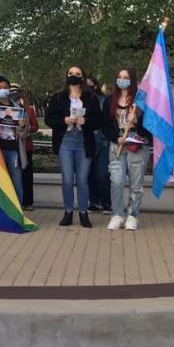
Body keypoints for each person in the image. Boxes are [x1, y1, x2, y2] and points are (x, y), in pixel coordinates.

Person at [45, 66, 102, 228]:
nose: (73, 76)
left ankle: (83, 213)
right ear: (66, 76)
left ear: (83, 77)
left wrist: (86, 121)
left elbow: (99, 120)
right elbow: (49, 119)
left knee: (83, 180)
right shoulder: (57, 98)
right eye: (70, 73)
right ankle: (68, 212)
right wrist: (63, 120)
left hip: (84, 141)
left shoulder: (91, 98)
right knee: (68, 179)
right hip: (65, 141)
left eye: (77, 74)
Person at [103, 68, 151, 231]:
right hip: (117, 144)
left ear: (132, 80)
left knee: (136, 184)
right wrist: (115, 138)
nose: (122, 80)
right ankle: (117, 214)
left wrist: (137, 118)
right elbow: (105, 125)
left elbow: (150, 127)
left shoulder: (141, 101)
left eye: (126, 77)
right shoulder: (109, 100)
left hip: (137, 145)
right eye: (120, 77)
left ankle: (132, 215)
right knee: (116, 181)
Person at [0, 77, 30, 204]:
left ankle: (17, 211)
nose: (2, 90)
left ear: (9, 89)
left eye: (5, 87)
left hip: (13, 150)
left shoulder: (17, 107)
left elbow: (25, 132)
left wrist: (21, 126)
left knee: (16, 181)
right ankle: (1, 212)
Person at [11, 83, 40, 211]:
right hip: (11, 147)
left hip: (25, 146)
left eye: (15, 91)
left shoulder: (28, 110)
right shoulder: (5, 109)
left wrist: (27, 130)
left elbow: (35, 126)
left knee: (27, 175)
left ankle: (28, 201)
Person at [86, 76, 112, 214]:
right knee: (88, 174)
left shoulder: (104, 100)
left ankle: (106, 203)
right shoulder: (80, 100)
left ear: (96, 86)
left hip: (102, 143)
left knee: (102, 174)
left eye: (92, 85)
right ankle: (93, 202)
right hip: (86, 143)